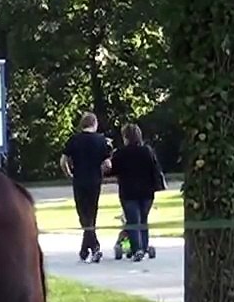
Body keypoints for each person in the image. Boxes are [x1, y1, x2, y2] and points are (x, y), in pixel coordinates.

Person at [106, 122, 165, 262]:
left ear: (125, 137)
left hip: (129, 192)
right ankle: (143, 247)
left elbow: (112, 170)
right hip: (147, 192)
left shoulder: (120, 153)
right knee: (143, 220)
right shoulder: (147, 151)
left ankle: (137, 248)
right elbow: (155, 169)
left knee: (133, 221)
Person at [60, 111, 112, 262]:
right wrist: (101, 171)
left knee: (83, 214)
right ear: (94, 124)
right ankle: (91, 247)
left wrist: (69, 173)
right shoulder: (101, 140)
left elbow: (63, 160)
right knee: (92, 213)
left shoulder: (74, 140)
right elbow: (108, 163)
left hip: (79, 180)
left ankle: (90, 247)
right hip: (95, 180)